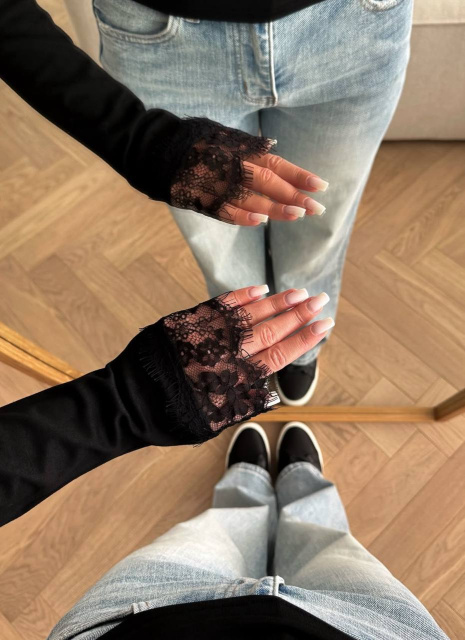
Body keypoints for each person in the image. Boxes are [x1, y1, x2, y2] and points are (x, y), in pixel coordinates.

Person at [0, 0, 414, 408]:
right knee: (219, 241)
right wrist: (138, 140)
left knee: (319, 219)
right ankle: (247, 338)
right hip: (163, 37)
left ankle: (301, 339)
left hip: (354, 23)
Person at [0, 287, 448, 639]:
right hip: (374, 629)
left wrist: (119, 407)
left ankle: (248, 479)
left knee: (223, 526)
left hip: (141, 620)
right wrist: (121, 407)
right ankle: (301, 478)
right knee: (326, 539)